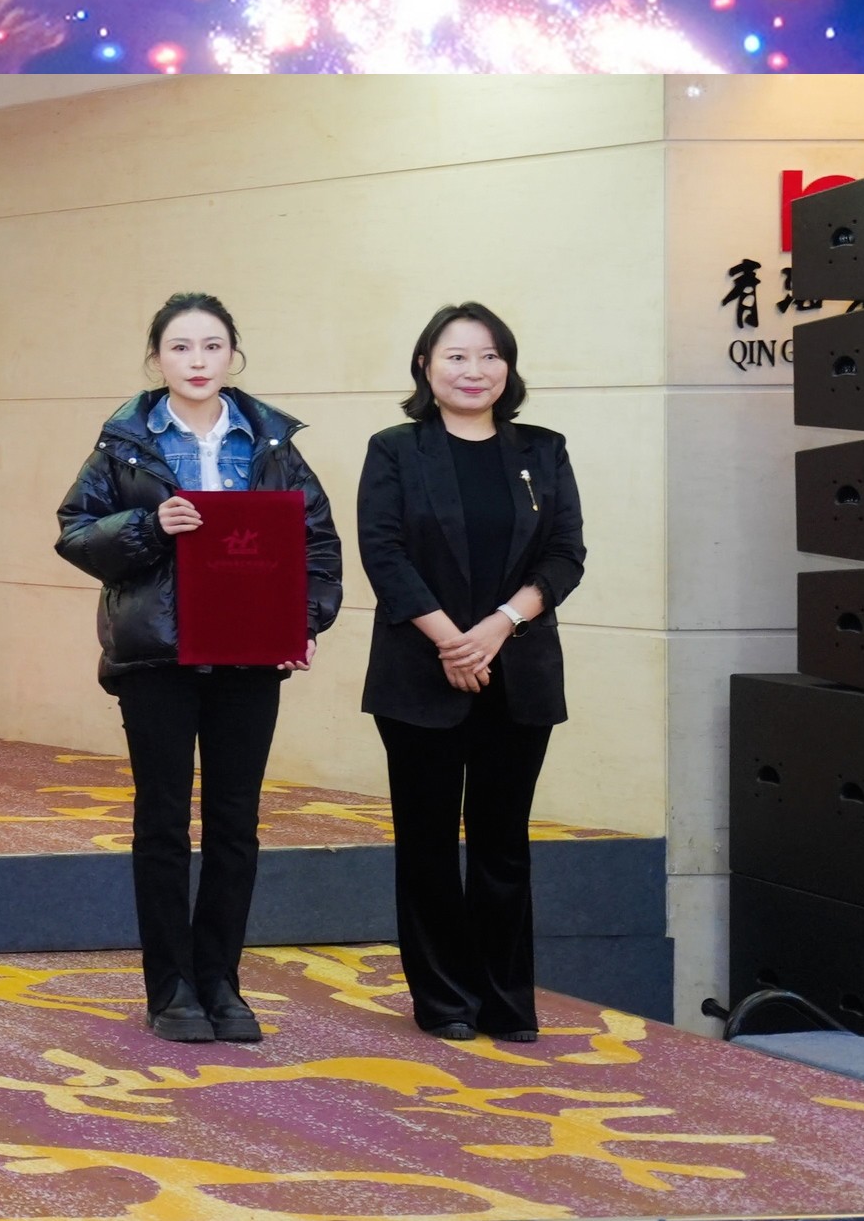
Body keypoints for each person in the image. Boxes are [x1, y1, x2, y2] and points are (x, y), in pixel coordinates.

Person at [51, 292, 344, 1044]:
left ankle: (221, 981)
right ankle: (171, 987)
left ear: (233, 355)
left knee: (235, 822)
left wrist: (303, 623)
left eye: (212, 346)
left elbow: (316, 542)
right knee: (161, 820)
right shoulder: (123, 442)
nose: (197, 361)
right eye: (180, 347)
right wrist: (150, 524)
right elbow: (75, 533)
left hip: (250, 653)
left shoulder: (271, 443)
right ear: (156, 359)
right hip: (156, 653)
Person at [356, 301, 586, 1043]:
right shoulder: (395, 449)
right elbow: (383, 552)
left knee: (502, 843)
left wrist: (497, 626)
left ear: (507, 368)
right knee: (426, 842)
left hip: (517, 671)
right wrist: (452, 641)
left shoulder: (542, 450)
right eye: (456, 356)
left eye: (489, 356)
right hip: (419, 672)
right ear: (425, 366)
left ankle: (506, 1000)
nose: (473, 371)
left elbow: (565, 555)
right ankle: (444, 999)